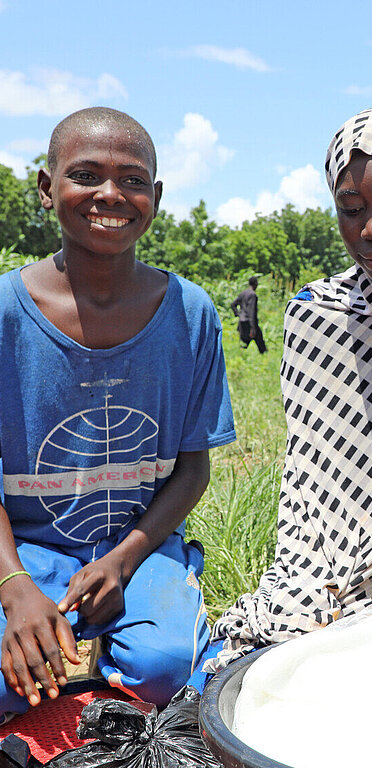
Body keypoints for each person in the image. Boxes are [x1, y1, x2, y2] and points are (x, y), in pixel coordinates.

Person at [204, 104, 372, 673]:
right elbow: (308, 475)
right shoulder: (315, 318)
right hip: (317, 567)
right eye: (351, 209)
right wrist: (315, 581)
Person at [0, 107, 235, 716]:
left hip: (141, 544)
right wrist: (17, 589)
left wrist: (124, 561)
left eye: (132, 180)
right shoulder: (4, 314)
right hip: (23, 549)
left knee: (167, 670)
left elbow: (191, 470)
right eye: (85, 175)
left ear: (154, 197)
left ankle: (117, 641)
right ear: (48, 189)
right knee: (8, 676)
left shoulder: (190, 313)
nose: (111, 194)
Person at [231, 275, 267, 353]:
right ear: (255, 284)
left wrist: (238, 314)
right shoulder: (253, 295)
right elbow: (251, 312)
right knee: (261, 344)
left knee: (243, 344)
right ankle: (265, 357)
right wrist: (253, 327)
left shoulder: (243, 293)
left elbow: (233, 304)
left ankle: (240, 358)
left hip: (242, 322)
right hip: (249, 322)